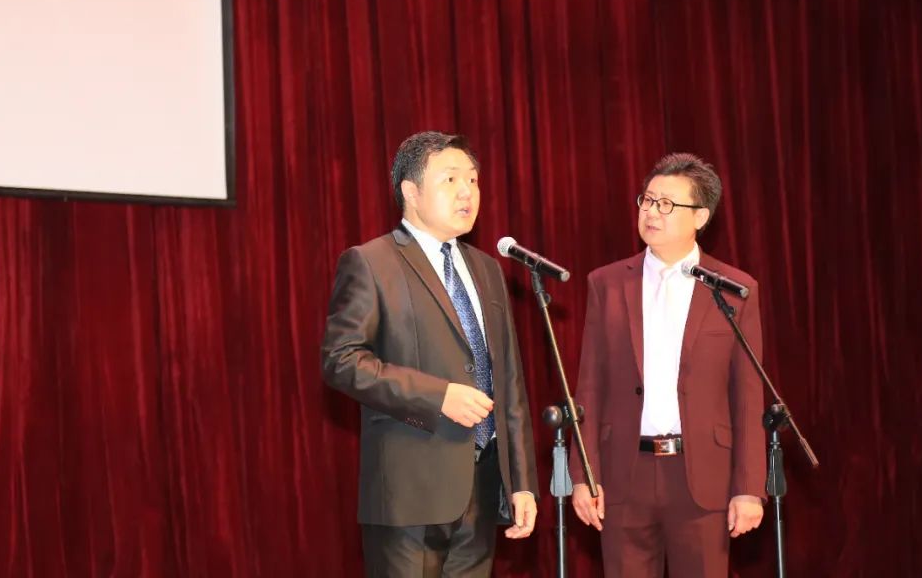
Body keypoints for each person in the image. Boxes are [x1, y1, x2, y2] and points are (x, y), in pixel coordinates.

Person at [322, 130, 539, 577]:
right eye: (451, 179)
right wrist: (437, 396)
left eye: (473, 180)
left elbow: (510, 382)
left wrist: (521, 483)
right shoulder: (371, 262)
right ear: (411, 191)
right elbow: (341, 360)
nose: (467, 192)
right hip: (409, 492)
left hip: (483, 489)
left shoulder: (488, 270)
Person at [570, 152, 765, 577]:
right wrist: (583, 473)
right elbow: (589, 386)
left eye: (666, 204)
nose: (651, 212)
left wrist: (749, 487)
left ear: (701, 216)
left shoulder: (734, 289)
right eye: (647, 200)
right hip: (624, 472)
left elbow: (748, 395)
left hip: (703, 476)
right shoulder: (607, 283)